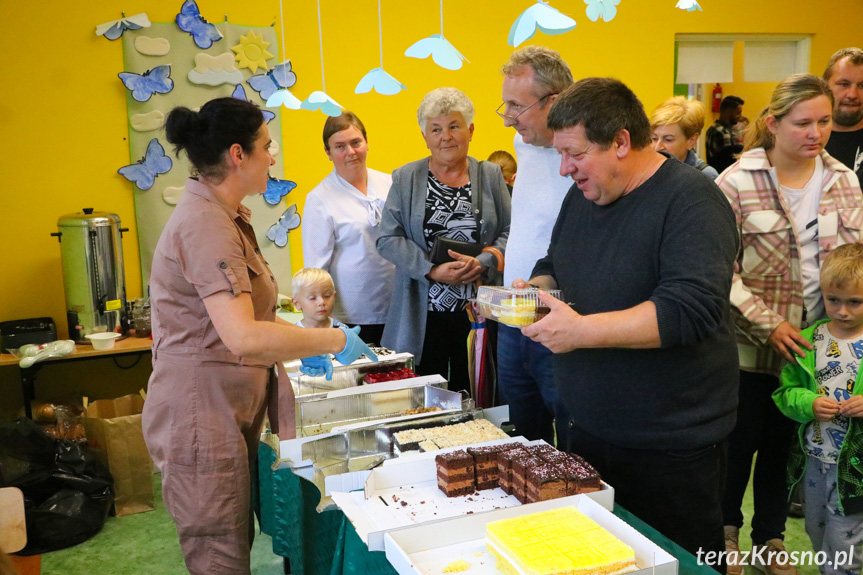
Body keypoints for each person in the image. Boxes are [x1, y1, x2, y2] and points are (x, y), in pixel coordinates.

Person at [142, 97, 375, 574]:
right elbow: (244, 337)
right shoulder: (206, 225)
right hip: (199, 409)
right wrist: (333, 341)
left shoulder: (228, 216)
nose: (273, 158)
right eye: (267, 147)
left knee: (234, 542)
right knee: (219, 554)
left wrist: (302, 340)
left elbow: (252, 319)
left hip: (226, 406)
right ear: (237, 155)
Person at [520, 77, 740, 565]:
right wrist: (540, 285)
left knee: (673, 562)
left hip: (669, 449)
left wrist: (579, 331)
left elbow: (690, 309)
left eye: (574, 154)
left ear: (620, 141)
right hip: (586, 432)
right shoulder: (584, 195)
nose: (563, 169)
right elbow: (558, 259)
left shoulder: (692, 201)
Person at [717, 73, 863, 575]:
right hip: (747, 343)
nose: (816, 133)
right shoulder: (735, 181)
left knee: (786, 447)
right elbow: (720, 269)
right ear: (772, 123)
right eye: (803, 123)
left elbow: (854, 261)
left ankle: (771, 539)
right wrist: (766, 323)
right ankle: (727, 533)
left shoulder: (843, 180)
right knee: (738, 444)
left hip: (813, 347)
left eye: (823, 121)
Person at [377, 87, 510, 395]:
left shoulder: (491, 175)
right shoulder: (406, 178)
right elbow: (387, 237)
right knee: (424, 397)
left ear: (471, 130)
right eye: (436, 129)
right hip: (422, 313)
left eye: (454, 126)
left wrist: (484, 261)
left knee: (477, 395)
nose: (445, 136)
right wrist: (430, 270)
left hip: (478, 312)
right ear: (425, 136)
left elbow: (510, 232)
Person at [496, 45, 574, 448]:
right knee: (523, 438)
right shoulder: (523, 143)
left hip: (562, 316)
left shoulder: (583, 155)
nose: (508, 116)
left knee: (574, 434)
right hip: (514, 314)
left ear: (554, 102)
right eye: (505, 104)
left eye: (516, 105)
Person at [773, 243, 863, 575]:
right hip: (814, 461)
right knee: (816, 530)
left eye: (855, 302)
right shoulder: (808, 341)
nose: (842, 311)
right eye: (833, 300)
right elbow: (786, 393)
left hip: (856, 471)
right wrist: (808, 403)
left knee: (843, 542)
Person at [301, 111, 394, 345]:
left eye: (356, 143)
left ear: (367, 142)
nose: (350, 152)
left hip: (396, 306)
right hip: (353, 315)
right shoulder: (320, 198)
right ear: (328, 153)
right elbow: (316, 268)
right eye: (340, 146)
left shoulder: (390, 183)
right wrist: (318, 319)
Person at [650, 95, 719, 179]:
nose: (658, 147)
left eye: (668, 140)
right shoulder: (646, 171)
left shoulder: (706, 176)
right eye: (654, 138)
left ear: (692, 140)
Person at [824, 47, 863, 183]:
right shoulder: (804, 141)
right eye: (844, 84)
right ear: (825, 86)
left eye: (862, 86)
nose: (852, 95)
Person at [706, 94, 745, 173]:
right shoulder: (724, 133)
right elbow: (728, 163)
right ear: (728, 112)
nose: (740, 116)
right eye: (738, 113)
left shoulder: (711, 128)